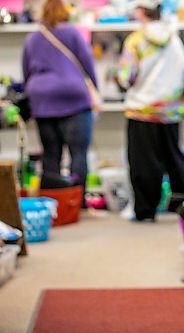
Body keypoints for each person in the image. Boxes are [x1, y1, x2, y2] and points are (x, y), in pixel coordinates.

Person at [117, 0, 184, 221]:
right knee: (174, 159)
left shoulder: (136, 40)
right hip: (170, 111)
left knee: (143, 164)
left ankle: (145, 211)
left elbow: (126, 76)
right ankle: (183, 207)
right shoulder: (173, 39)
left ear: (141, 11)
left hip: (142, 110)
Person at [22, 0, 97, 200]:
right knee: (78, 154)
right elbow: (87, 62)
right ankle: (76, 202)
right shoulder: (72, 32)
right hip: (73, 97)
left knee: (50, 154)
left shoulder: (32, 38)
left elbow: (27, 72)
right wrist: (95, 90)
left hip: (42, 100)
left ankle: (53, 203)